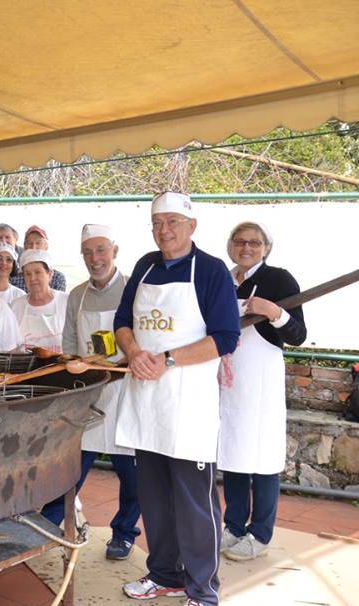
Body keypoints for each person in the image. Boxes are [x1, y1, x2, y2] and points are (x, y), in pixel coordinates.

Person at [114, 192, 239, 606]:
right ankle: (164, 573)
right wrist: (133, 352)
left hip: (187, 406)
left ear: (191, 225)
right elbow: (122, 321)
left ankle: (203, 590)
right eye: (157, 223)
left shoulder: (211, 271)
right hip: (147, 402)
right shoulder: (144, 266)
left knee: (194, 502)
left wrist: (167, 360)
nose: (164, 231)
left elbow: (225, 337)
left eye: (172, 222)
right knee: (154, 497)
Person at [218, 221, 306, 562]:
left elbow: (298, 334)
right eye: (239, 241)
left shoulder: (279, 279)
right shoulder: (223, 280)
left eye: (254, 242)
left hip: (262, 381)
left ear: (266, 247)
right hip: (229, 380)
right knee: (235, 454)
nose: (246, 247)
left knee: (263, 457)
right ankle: (235, 525)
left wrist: (274, 312)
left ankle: (260, 532)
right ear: (231, 246)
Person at [61, 224, 139, 560]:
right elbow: (67, 344)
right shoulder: (76, 296)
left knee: (131, 474)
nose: (95, 259)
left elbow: (142, 340)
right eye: (88, 252)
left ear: (115, 251)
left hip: (125, 392)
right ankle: (52, 525)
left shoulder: (134, 290)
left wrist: (117, 365)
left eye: (101, 250)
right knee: (70, 468)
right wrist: (75, 365)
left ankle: (123, 534)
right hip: (89, 393)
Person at [10, 249, 67, 352]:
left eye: (37, 272)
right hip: (24, 366)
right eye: (27, 274)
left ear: (50, 274)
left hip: (60, 366)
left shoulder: (65, 301)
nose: (32, 278)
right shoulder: (16, 306)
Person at [22, 225, 67, 292]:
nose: (34, 247)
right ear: (24, 247)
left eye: (38, 243)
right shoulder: (15, 279)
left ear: (46, 247)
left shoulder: (58, 278)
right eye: (30, 243)